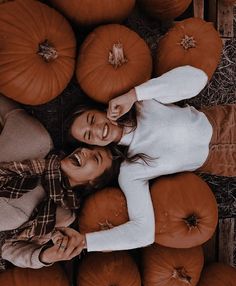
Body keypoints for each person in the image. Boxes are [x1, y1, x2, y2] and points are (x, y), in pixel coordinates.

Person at [64, 65, 236, 252]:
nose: (97, 129)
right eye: (89, 136)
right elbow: (142, 233)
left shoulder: (143, 103)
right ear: (93, 145)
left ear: (98, 110)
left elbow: (198, 78)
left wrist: (134, 95)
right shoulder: (130, 171)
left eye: (91, 119)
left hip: (224, 121)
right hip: (223, 162)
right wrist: (86, 242)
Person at [0, 95, 120, 269]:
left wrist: (46, 255)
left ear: (93, 182)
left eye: (96, 158)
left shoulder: (61, 214)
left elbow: (10, 248)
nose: (85, 150)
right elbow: (8, 110)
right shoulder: (36, 140)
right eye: (87, 145)